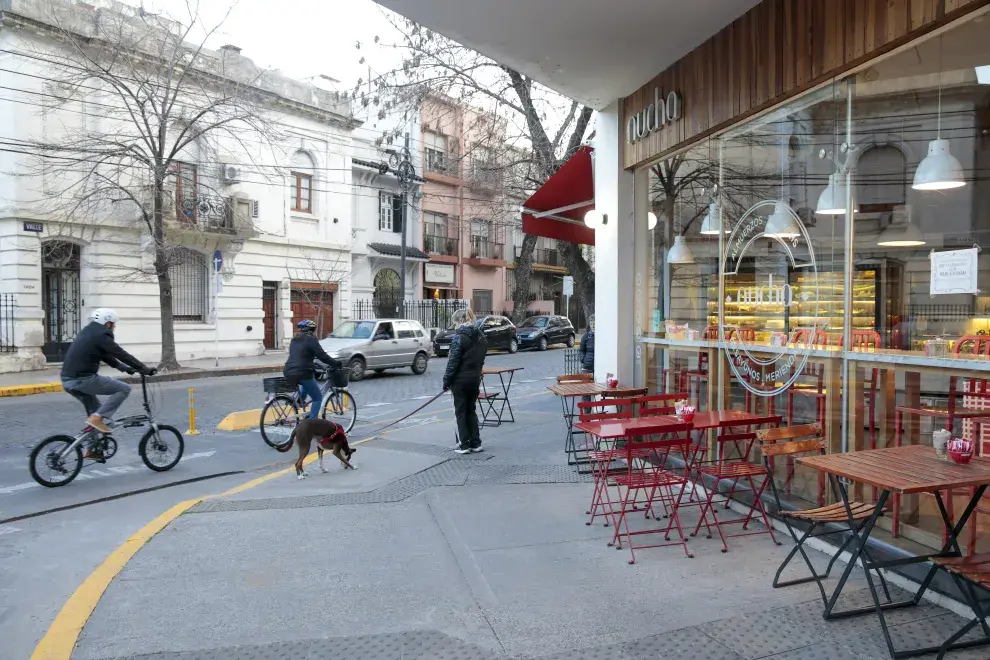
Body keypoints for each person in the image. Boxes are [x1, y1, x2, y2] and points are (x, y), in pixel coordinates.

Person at [61, 308, 155, 445]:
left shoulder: (89, 332)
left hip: (68, 381)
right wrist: (143, 368)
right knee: (123, 389)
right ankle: (97, 418)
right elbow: (120, 353)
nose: (114, 326)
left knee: (96, 411)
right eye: (113, 323)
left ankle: (92, 448)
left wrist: (125, 368)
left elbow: (104, 355)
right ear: (107, 323)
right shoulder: (101, 334)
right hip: (82, 380)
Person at [442, 308, 487, 454]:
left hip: (460, 380)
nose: (455, 325)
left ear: (460, 321)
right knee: (471, 410)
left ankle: (464, 444)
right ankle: (476, 442)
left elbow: (453, 362)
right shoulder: (481, 337)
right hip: (474, 378)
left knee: (460, 411)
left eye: (455, 322)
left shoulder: (459, 337)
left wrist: (446, 381)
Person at [283, 320, 342, 419]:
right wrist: (335, 363)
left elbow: (299, 355)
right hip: (302, 372)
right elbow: (322, 356)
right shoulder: (311, 339)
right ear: (311, 330)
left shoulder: (294, 340)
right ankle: (311, 424)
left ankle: (299, 400)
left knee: (307, 382)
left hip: (288, 371)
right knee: (317, 398)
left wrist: (312, 363)